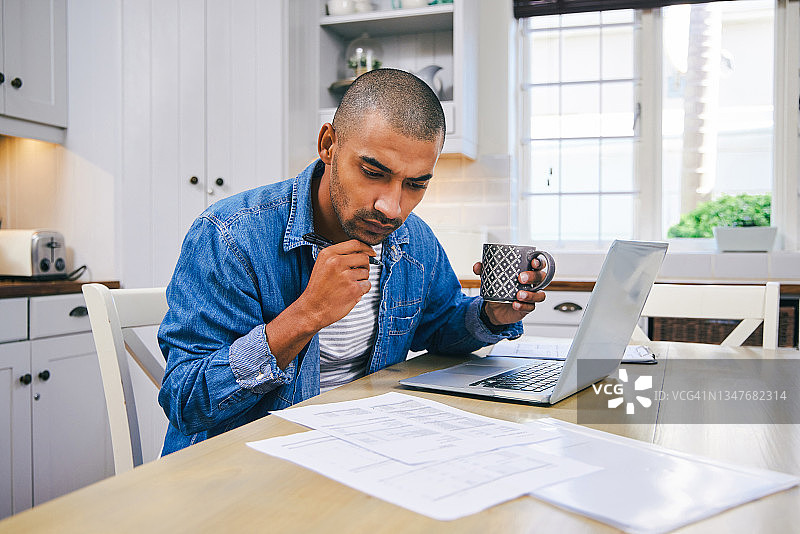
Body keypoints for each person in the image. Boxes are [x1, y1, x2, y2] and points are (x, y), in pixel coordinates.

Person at [157, 68, 547, 454]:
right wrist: (305, 316)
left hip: (363, 450)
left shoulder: (413, 240)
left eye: (416, 184)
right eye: (373, 172)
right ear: (328, 144)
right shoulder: (230, 236)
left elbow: (440, 326)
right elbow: (185, 400)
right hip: (242, 468)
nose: (392, 208)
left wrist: (490, 315)